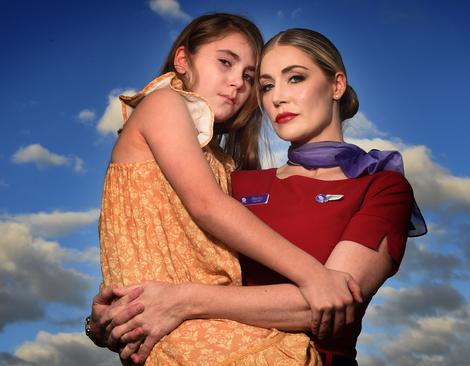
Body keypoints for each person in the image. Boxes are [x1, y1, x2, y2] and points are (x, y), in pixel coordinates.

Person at [89, 27, 427, 366]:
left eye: (295, 78)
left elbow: (330, 303)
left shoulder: (381, 187)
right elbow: (168, 259)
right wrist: (114, 320)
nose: (277, 97)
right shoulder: (235, 184)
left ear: (336, 85)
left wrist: (184, 301)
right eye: (266, 86)